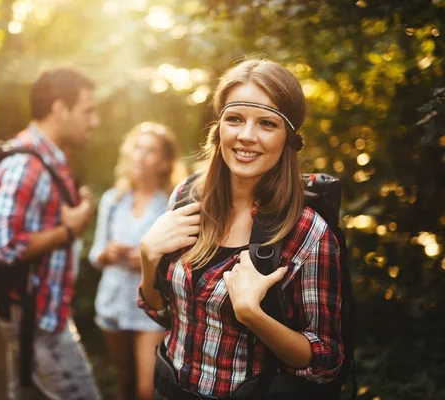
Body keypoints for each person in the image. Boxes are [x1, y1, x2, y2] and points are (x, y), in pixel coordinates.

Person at [138, 57, 345, 399]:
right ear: (219, 126)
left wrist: (253, 315)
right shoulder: (187, 198)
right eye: (235, 119)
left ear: (289, 137)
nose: (247, 136)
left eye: (267, 123)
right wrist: (148, 258)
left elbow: (327, 362)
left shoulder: (307, 232)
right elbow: (165, 316)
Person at [0, 67, 102, 400]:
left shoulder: (50, 159)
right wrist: (69, 229)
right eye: (87, 111)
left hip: (38, 315)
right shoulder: (27, 164)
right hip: (38, 323)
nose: (93, 122)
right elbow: (2, 246)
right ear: (58, 109)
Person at [88, 122, 185, 400]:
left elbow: (181, 263)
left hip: (151, 308)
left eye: (150, 151)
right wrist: (108, 253)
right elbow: (96, 255)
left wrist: (147, 261)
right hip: (112, 302)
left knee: (146, 390)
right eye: (137, 148)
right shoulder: (113, 199)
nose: (140, 155)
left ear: (165, 163)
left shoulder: (172, 204)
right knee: (123, 379)